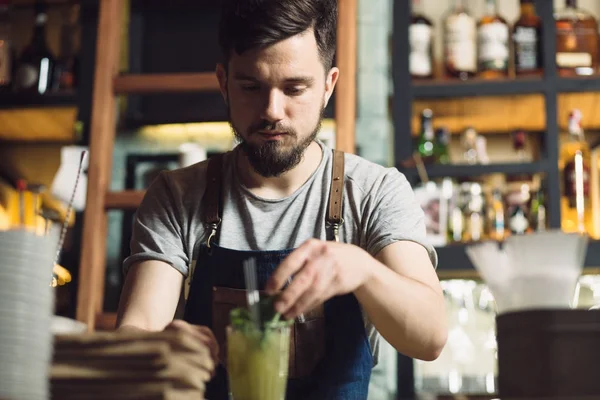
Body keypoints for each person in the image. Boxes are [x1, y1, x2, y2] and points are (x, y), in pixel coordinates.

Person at [115, 0, 448, 399]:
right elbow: (136, 331)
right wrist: (154, 349)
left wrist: (363, 270)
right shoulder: (177, 196)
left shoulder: (375, 191)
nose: (272, 111)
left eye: (294, 88)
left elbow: (430, 338)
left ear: (329, 85)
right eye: (251, 87)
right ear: (223, 83)